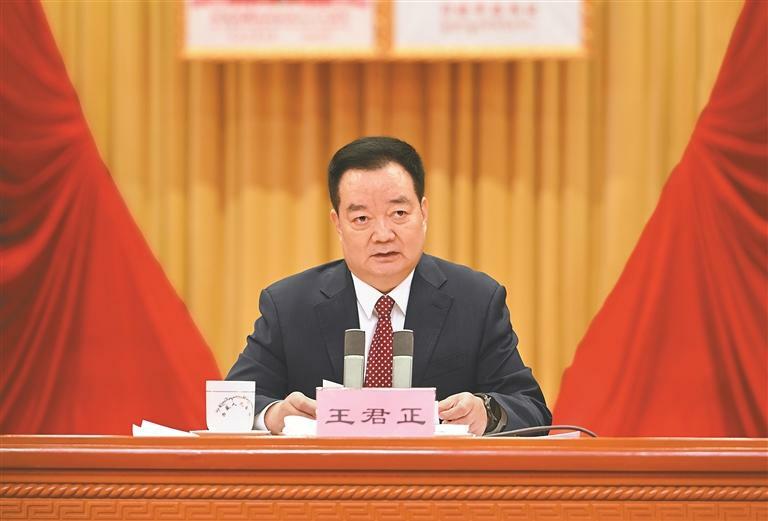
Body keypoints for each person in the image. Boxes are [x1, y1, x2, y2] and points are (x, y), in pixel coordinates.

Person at [227, 136, 551, 435]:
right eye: (362, 219)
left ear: (423, 212)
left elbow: (531, 409)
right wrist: (273, 415)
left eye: (398, 213)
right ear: (337, 224)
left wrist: (486, 412)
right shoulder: (289, 305)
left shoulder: (476, 300)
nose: (383, 235)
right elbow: (235, 402)